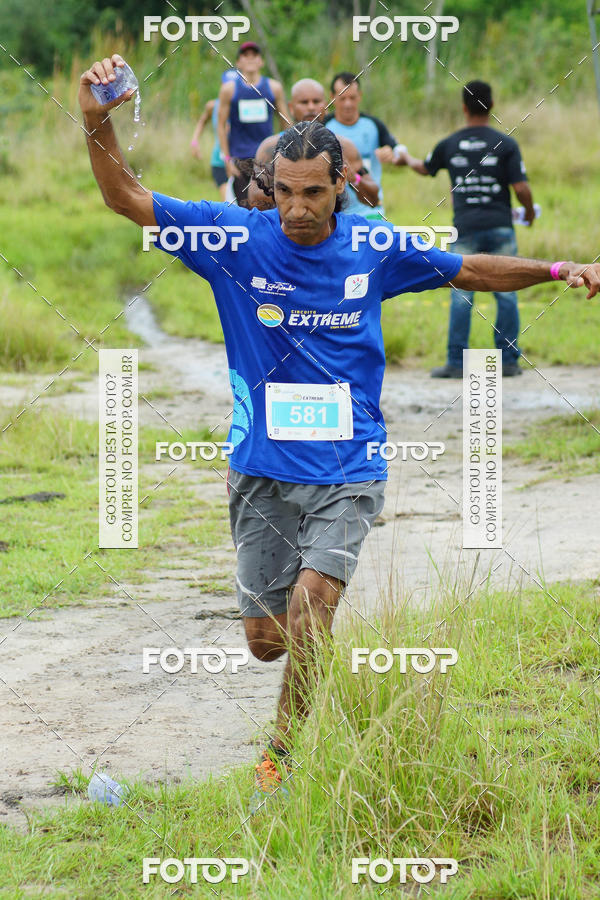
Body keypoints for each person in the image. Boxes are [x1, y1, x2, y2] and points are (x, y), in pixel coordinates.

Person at [79, 54, 600, 808]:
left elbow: (470, 270)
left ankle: (281, 761)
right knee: (268, 641)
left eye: (314, 193)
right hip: (260, 468)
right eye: (285, 192)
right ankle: (311, 662)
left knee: (312, 606)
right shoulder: (234, 239)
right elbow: (126, 197)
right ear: (269, 187)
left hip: (349, 466)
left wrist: (556, 269)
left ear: (342, 187)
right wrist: (94, 119)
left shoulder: (373, 247)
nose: (298, 209)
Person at [399, 80, 536, 377]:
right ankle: (508, 361)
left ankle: (456, 362)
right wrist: (528, 211)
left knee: (461, 294)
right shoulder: (506, 144)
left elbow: (425, 168)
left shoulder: (449, 144)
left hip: (464, 229)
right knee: (507, 291)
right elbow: (521, 188)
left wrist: (406, 158)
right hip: (500, 227)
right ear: (492, 106)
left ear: (463, 107)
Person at [250, 78, 380, 215]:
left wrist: (354, 178)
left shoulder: (344, 147)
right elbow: (254, 200)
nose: (311, 107)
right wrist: (288, 190)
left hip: (334, 226)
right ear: (291, 107)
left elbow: (373, 200)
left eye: (316, 102)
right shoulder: (271, 148)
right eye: (304, 102)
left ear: (326, 106)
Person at [325, 71, 404, 219]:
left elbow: (400, 155)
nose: (348, 104)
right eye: (342, 98)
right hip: (336, 214)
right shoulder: (324, 127)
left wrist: (392, 154)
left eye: (352, 98)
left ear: (360, 96)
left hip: (371, 210)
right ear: (332, 97)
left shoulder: (373, 125)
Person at [217, 41, 289, 181]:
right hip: (239, 160)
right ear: (238, 62)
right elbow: (221, 125)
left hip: (267, 158)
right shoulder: (229, 90)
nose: (250, 58)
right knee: (242, 196)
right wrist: (226, 160)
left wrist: (286, 153)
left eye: (254, 55)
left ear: (261, 62)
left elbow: (286, 122)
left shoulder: (274, 88)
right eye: (245, 55)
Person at [190, 71, 239, 201]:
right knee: (228, 202)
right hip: (220, 161)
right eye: (227, 85)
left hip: (241, 160)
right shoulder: (213, 106)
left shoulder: (244, 106)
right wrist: (194, 142)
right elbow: (202, 122)